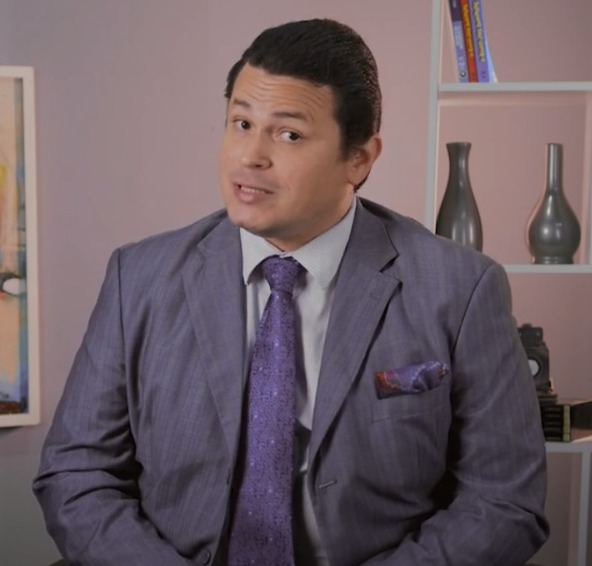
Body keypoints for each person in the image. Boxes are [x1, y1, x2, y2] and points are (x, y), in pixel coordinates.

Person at [33, 18, 549, 566]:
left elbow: (504, 502)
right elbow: (76, 473)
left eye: (289, 135)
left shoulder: (459, 289)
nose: (250, 156)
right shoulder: (138, 278)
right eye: (241, 123)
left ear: (360, 159)